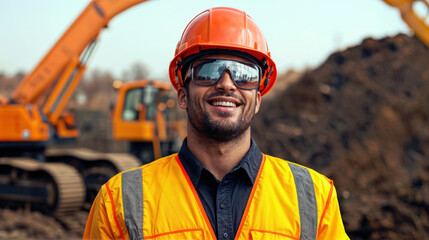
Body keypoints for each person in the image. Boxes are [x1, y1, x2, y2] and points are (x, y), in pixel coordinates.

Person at [84, 7, 349, 240]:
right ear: (182, 94)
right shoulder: (119, 202)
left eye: (244, 73)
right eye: (208, 70)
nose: (226, 83)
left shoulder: (314, 198)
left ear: (258, 99)